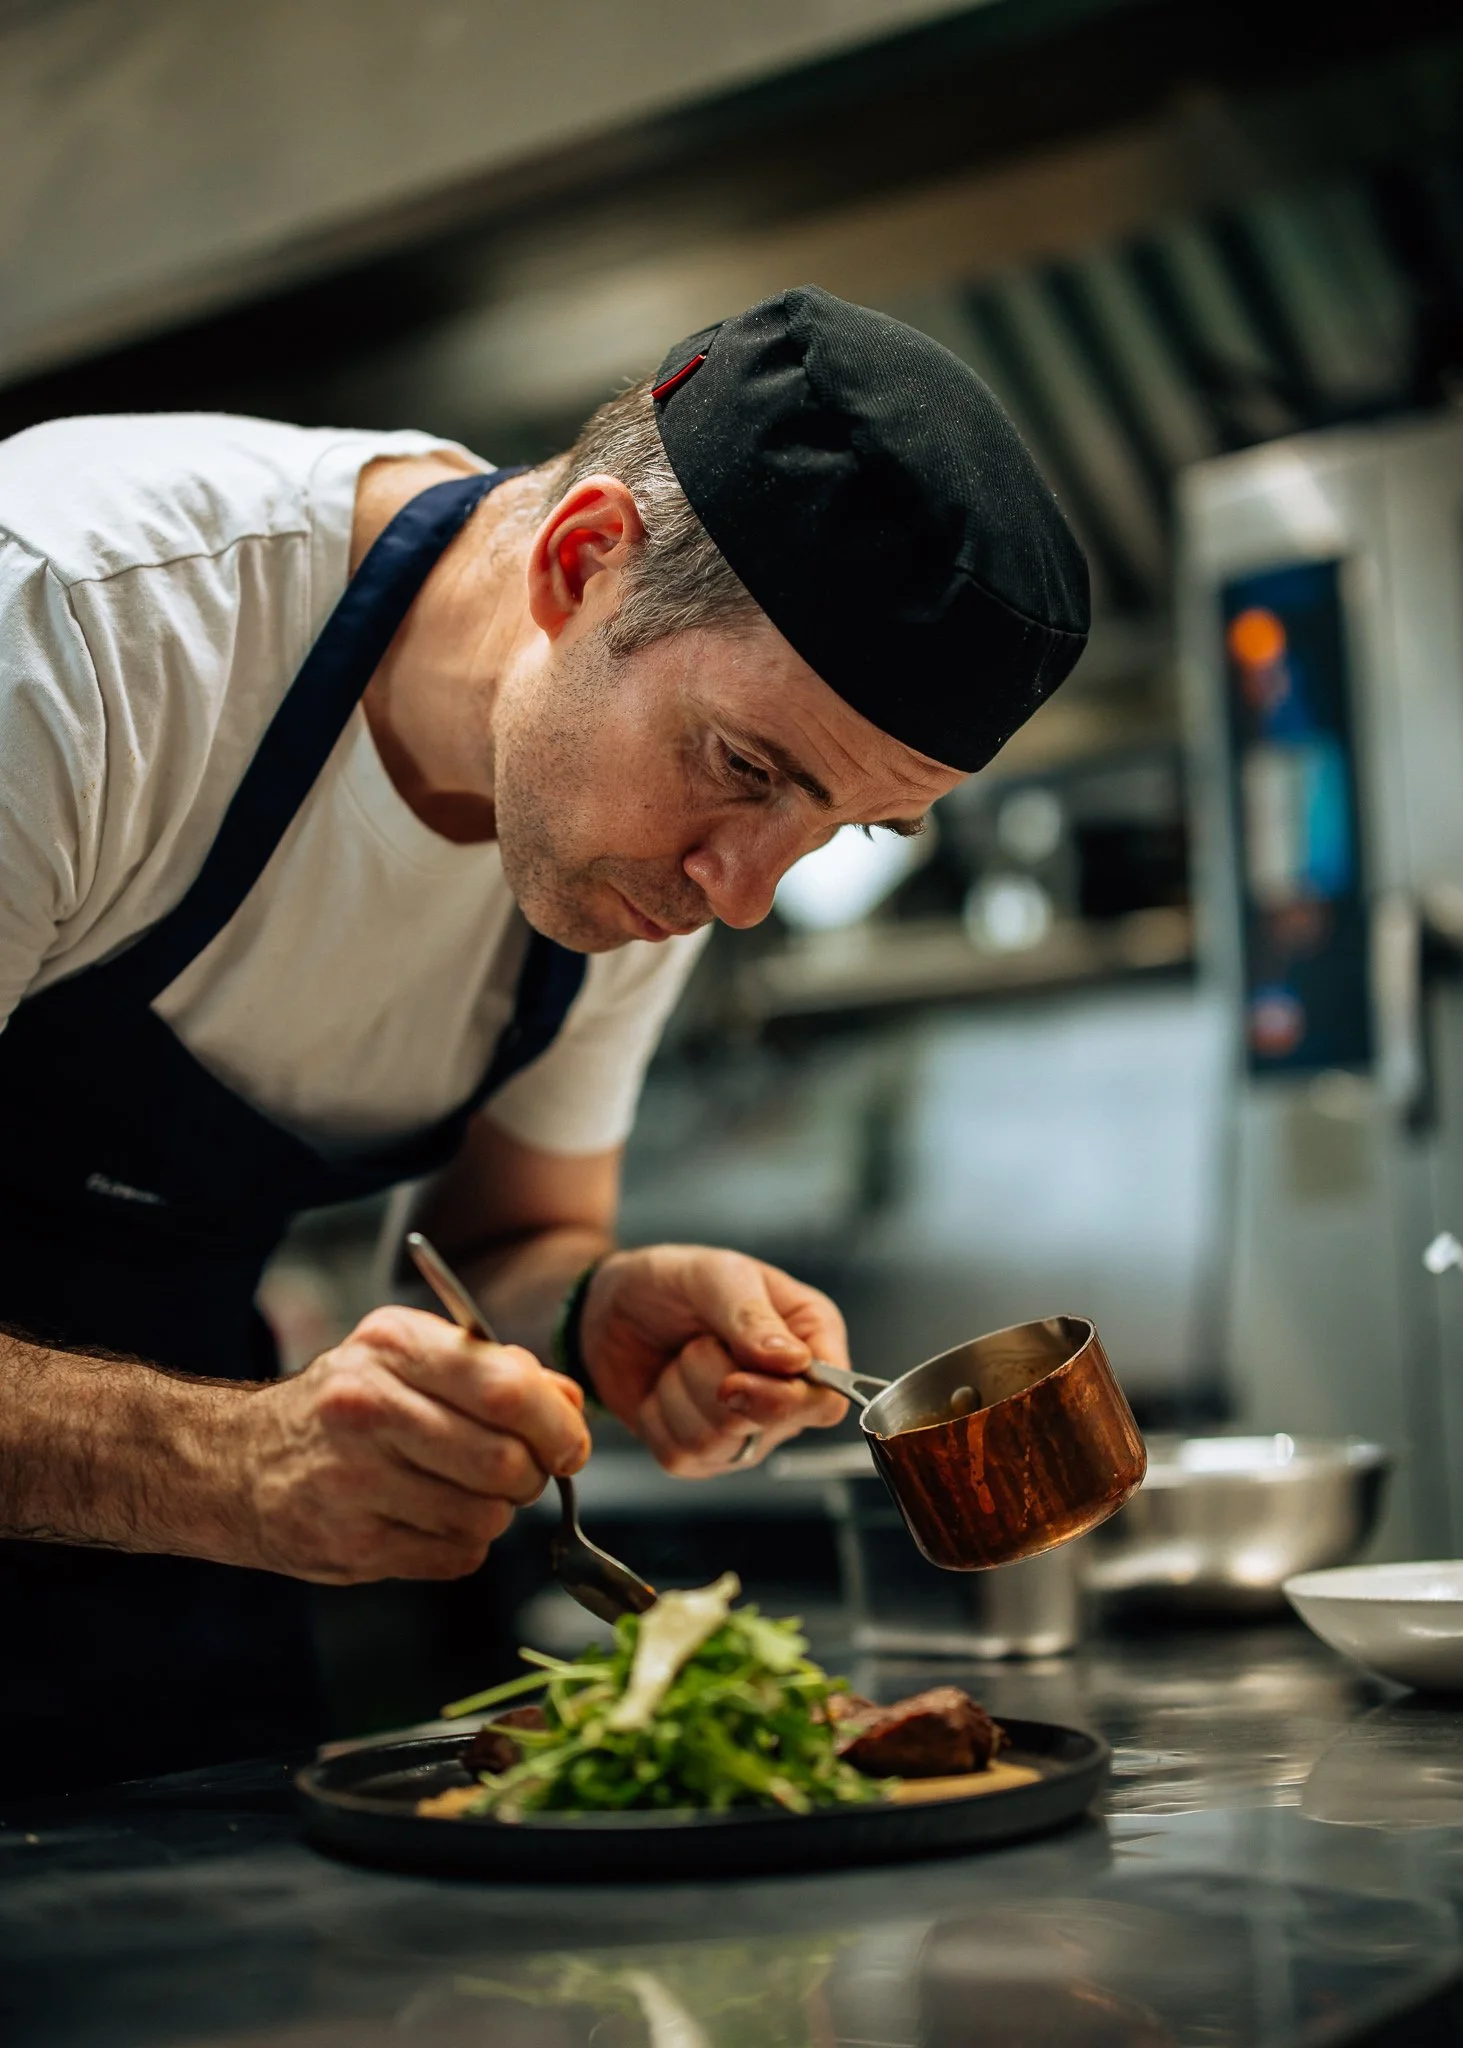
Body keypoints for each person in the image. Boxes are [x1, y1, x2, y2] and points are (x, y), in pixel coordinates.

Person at [0, 284, 1088, 1788]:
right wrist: (227, 1466)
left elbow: (502, 1243)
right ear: (583, 565)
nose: (745, 894)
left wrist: (588, 1312)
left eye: (844, 829)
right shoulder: (74, 628)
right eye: (746, 768)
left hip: (156, 1649)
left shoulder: (623, 846)